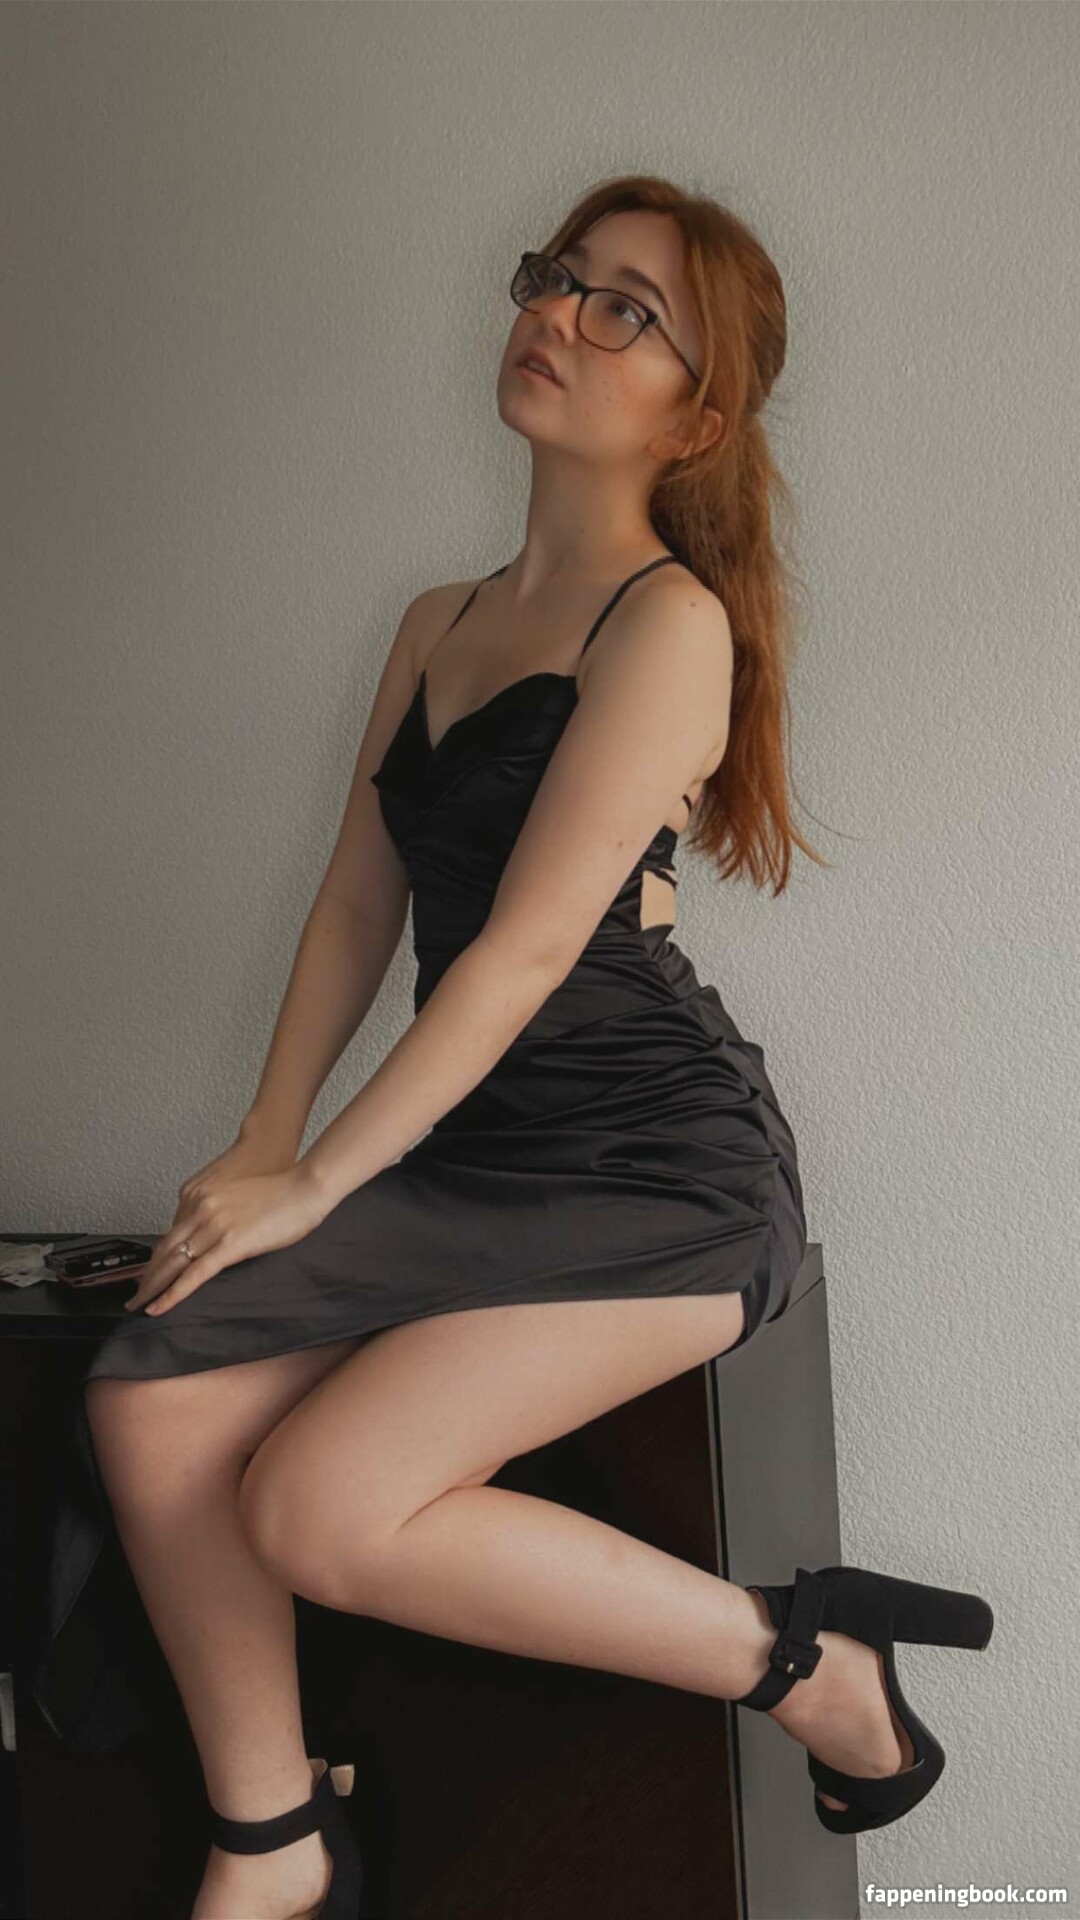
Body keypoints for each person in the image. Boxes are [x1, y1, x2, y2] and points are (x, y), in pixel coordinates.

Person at [34, 176, 992, 1920]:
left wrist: (319, 1181)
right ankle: (272, 1836)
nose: (558, 314)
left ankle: (807, 1664)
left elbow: (531, 952)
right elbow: (354, 907)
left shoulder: (669, 623)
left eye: (624, 307)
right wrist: (264, 1143)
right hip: (477, 1147)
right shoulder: (437, 620)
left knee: (318, 1506)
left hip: (656, 1171)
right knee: (150, 1392)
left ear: (697, 417)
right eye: (557, 277)